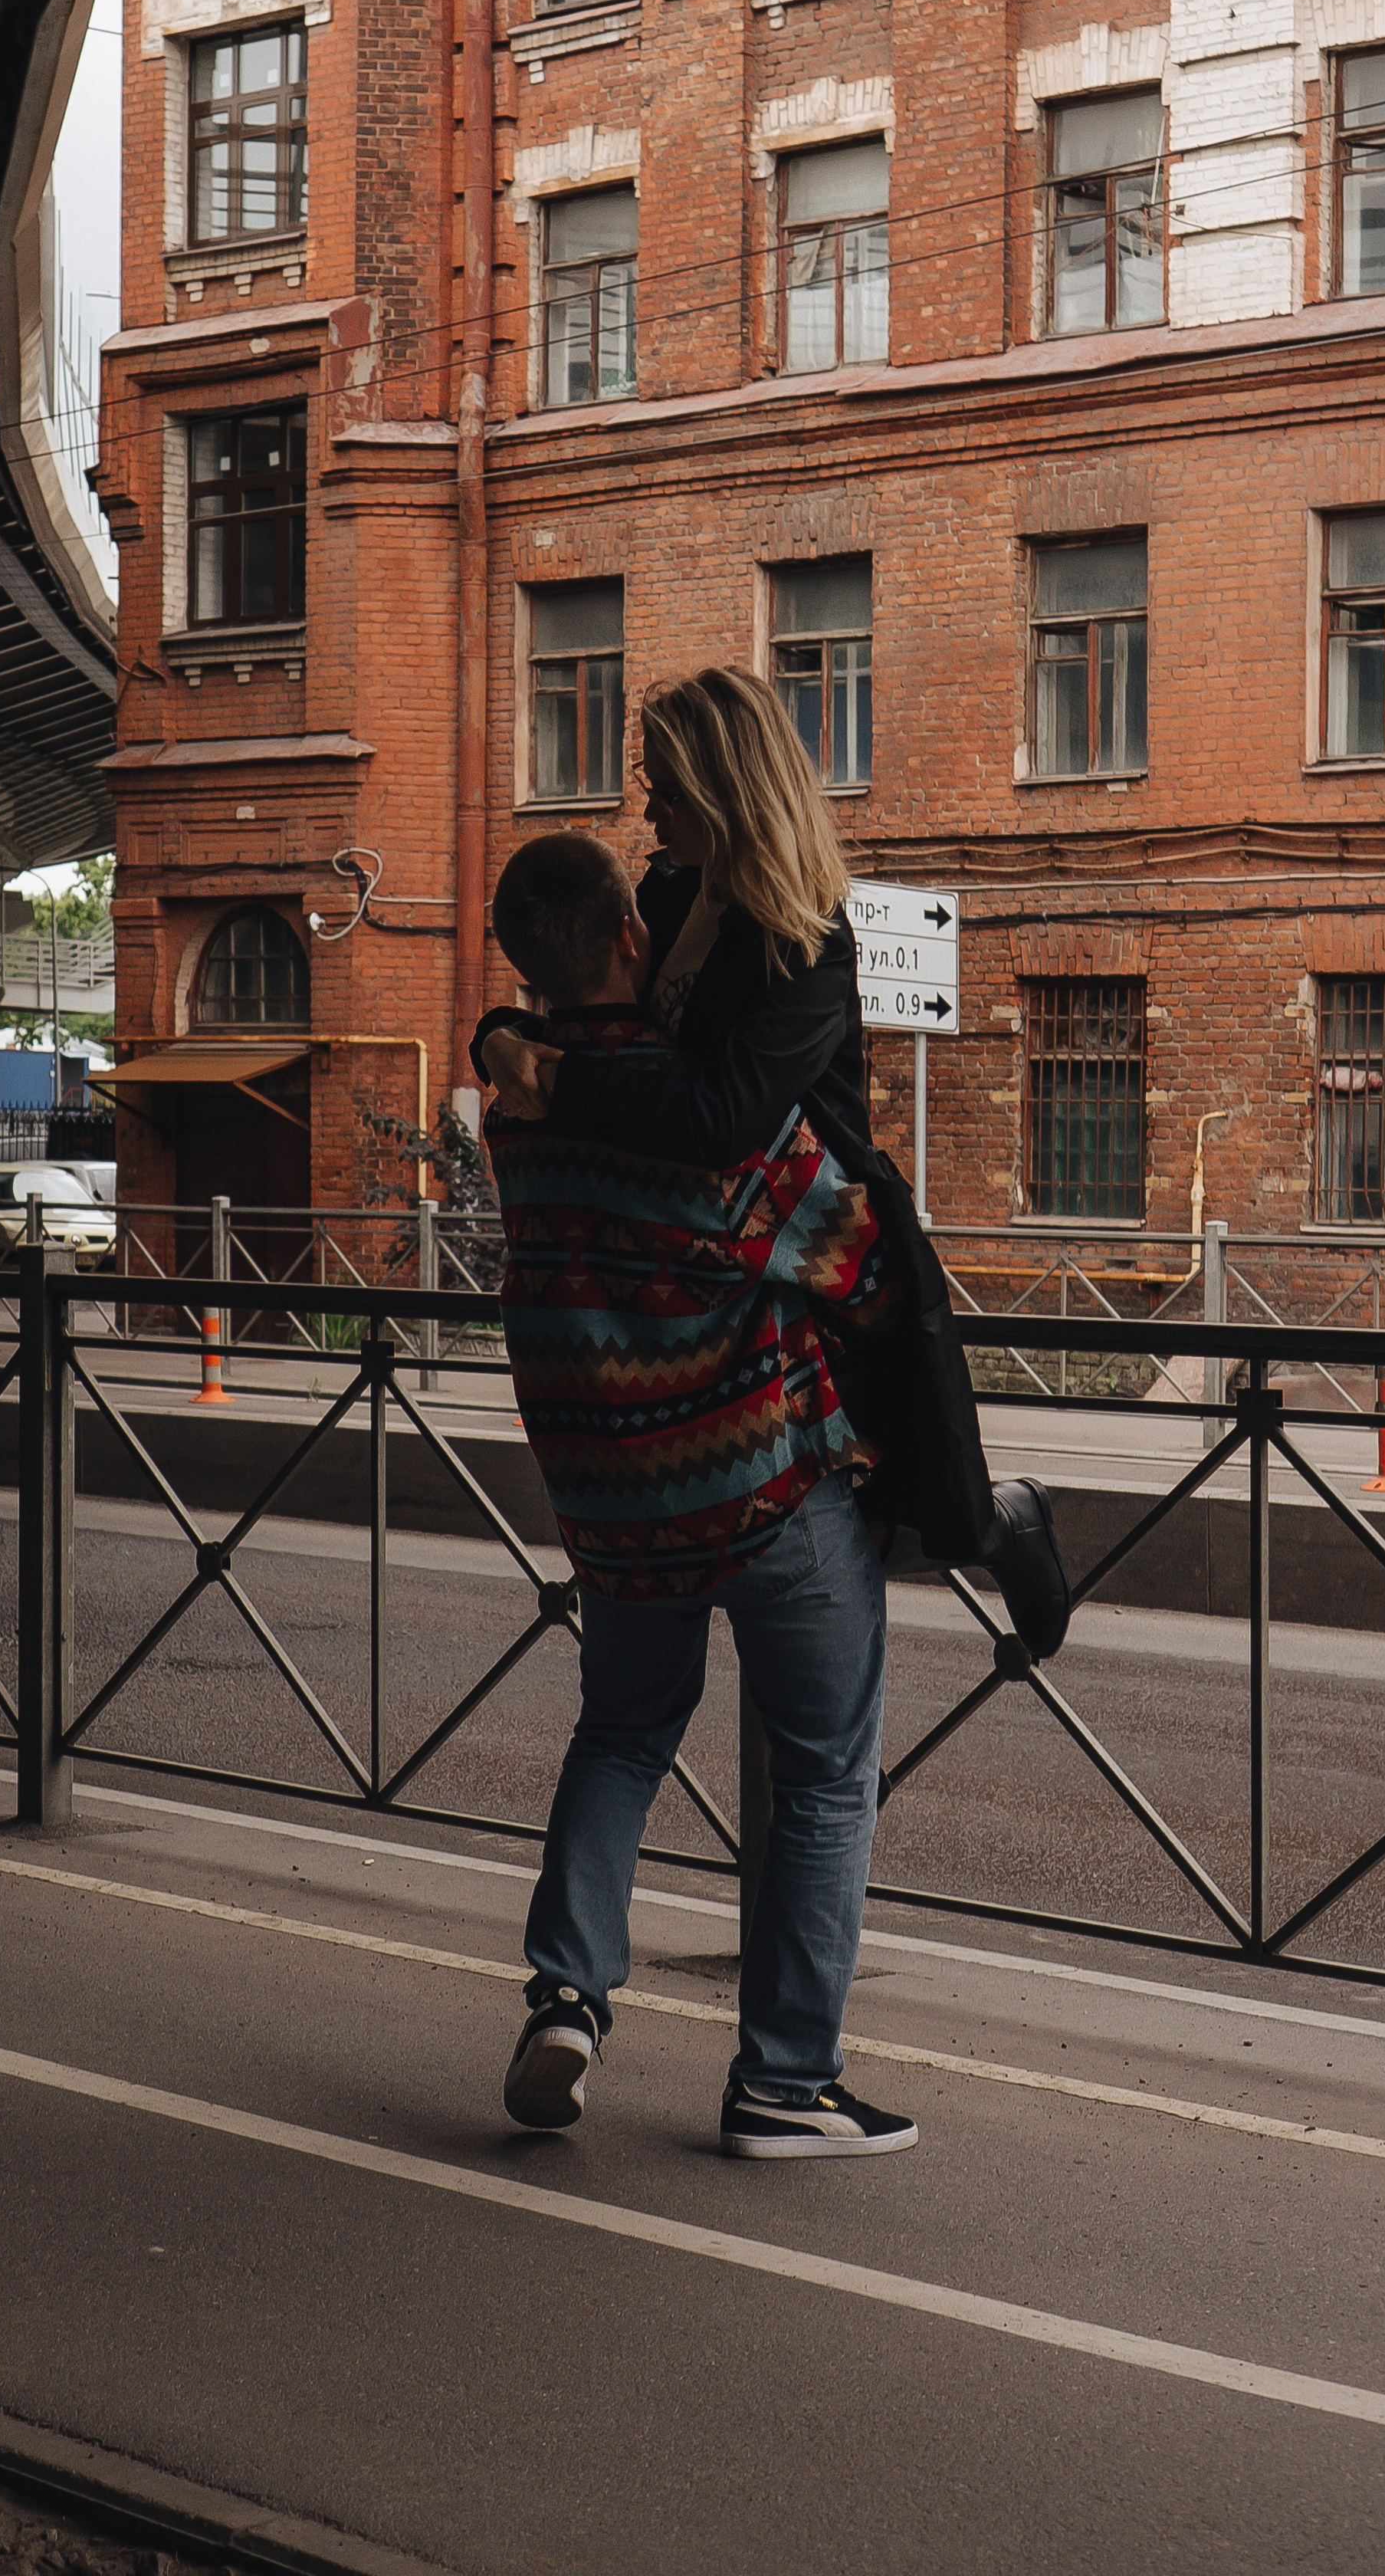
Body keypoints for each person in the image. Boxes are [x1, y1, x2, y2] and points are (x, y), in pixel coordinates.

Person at [475, 666, 1072, 1654]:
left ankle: (1011, 1527)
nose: (648, 802)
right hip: (721, 1246)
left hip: (825, 1254)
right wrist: (498, 1035)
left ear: (726, 786)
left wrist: (558, 1085)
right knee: (808, 1533)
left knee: (908, 1499)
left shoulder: (806, 938)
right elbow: (583, 998)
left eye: (664, 782)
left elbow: (721, 1116)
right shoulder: (665, 891)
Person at [484, 828, 919, 2163]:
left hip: (614, 1509)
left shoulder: (520, 1111)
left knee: (619, 1734)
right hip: (765, 1489)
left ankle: (567, 1992)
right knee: (825, 1775)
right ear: (632, 937)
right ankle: (787, 2082)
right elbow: (855, 1258)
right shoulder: (700, 1109)